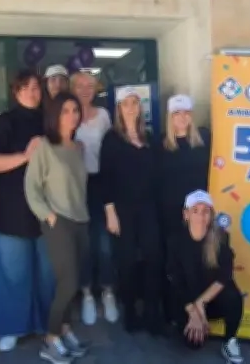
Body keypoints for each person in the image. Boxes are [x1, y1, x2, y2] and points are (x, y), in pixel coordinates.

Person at [0, 69, 54, 352]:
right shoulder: (5, 121)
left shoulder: (49, 121)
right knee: (12, 273)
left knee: (47, 273)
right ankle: (10, 327)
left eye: (36, 87)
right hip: (10, 209)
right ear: (16, 91)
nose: (32, 92)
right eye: (26, 88)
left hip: (46, 209)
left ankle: (48, 324)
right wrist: (25, 156)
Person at [24, 91, 90, 364]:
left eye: (75, 110)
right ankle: (50, 339)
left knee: (73, 283)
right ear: (55, 115)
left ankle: (64, 330)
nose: (72, 116)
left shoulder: (78, 148)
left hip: (81, 220)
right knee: (68, 282)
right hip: (58, 221)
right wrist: (48, 216)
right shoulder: (44, 147)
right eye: (65, 111)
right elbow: (31, 187)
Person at [99, 86, 163, 334]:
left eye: (135, 103)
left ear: (140, 107)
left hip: (148, 208)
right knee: (126, 260)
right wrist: (110, 212)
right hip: (122, 209)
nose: (131, 108)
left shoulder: (150, 138)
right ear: (118, 108)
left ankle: (152, 312)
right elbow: (105, 178)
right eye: (126, 104)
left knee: (153, 258)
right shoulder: (111, 139)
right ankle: (130, 312)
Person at [167, 190, 244, 364]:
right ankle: (187, 322)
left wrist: (201, 303)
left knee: (233, 296)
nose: (201, 217)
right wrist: (193, 310)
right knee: (193, 343)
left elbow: (225, 275)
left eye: (205, 211)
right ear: (186, 215)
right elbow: (174, 278)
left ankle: (230, 341)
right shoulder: (175, 241)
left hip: (210, 300)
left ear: (211, 215)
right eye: (195, 211)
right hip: (187, 300)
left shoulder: (221, 238)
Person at [70, 72, 118, 326]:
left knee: (104, 243)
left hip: (102, 184)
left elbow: (112, 151)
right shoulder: (67, 115)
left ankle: (108, 292)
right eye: (80, 85)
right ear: (72, 88)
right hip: (76, 185)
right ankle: (87, 294)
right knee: (84, 244)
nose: (86, 89)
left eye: (90, 85)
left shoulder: (103, 116)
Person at [159, 94, 212, 236]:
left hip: (199, 210)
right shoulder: (160, 144)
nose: (182, 117)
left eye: (186, 112)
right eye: (177, 113)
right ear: (170, 117)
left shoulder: (204, 137)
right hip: (171, 210)